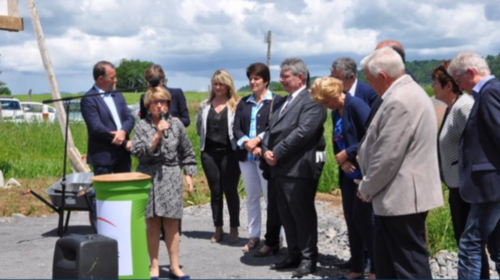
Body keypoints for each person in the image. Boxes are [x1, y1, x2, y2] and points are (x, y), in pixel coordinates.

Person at [357, 47, 443, 279]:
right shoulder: (407, 93)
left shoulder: (400, 100)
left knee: (408, 265)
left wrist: (366, 187)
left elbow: (387, 156)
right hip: (398, 197)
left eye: (370, 78)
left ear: (382, 77)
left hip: (402, 198)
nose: (369, 84)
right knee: (387, 261)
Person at [263, 58, 327, 278]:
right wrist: (265, 150)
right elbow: (269, 130)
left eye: (285, 76)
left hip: (298, 168)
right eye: (280, 76)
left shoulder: (312, 100)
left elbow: (303, 132)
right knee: (286, 214)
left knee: (302, 214)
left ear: (300, 77)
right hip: (279, 168)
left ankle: (309, 258)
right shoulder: (282, 102)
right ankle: (293, 253)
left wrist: (277, 152)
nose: (281, 80)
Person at [310, 77, 375, 279]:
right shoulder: (335, 112)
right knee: (351, 219)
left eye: (327, 102)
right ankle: (356, 266)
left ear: (335, 94)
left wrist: (349, 151)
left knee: (364, 219)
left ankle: (376, 267)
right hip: (347, 171)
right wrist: (342, 160)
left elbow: (372, 135)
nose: (326, 106)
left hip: (363, 171)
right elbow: (338, 140)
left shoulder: (356, 105)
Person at [131, 86, 197, 280]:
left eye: (163, 102)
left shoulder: (177, 125)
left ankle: (175, 267)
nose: (159, 106)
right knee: (151, 223)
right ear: (148, 105)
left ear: (168, 104)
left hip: (170, 175)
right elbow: (138, 152)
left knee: (171, 223)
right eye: (155, 102)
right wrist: (157, 135)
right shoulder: (142, 126)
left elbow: (188, 152)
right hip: (148, 176)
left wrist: (189, 175)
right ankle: (154, 266)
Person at [432, 60, 491, 279]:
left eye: (435, 82)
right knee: (468, 242)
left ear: (448, 85)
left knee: (472, 244)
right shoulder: (453, 107)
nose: (432, 87)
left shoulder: (464, 106)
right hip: (458, 184)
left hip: (468, 186)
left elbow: (478, 142)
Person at [448, 52, 500, 279]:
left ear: (470, 73)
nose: (459, 87)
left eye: (459, 81)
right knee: (493, 243)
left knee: (470, 243)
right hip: (491, 182)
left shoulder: (489, 94)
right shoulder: (490, 93)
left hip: (490, 185)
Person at [233, 62, 283, 254]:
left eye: (256, 78)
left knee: (271, 198)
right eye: (250, 78)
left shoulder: (276, 101)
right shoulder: (243, 102)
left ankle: (275, 238)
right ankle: (254, 235)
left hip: (266, 157)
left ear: (266, 80)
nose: (253, 82)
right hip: (246, 157)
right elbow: (236, 128)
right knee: (252, 197)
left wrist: (258, 142)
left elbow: (275, 127)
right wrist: (247, 143)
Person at [80, 61, 135, 226]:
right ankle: (102, 228)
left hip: (122, 155)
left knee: (124, 190)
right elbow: (97, 127)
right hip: (103, 155)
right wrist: (122, 141)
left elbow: (129, 117)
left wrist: (123, 132)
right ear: (100, 79)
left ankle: (123, 225)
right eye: (112, 77)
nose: (116, 80)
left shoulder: (117, 95)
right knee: (102, 195)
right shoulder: (89, 99)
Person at [196, 69, 241, 244]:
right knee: (215, 191)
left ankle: (234, 228)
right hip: (209, 153)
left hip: (230, 153)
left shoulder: (236, 105)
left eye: (221, 83)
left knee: (230, 190)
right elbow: (200, 127)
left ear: (228, 85)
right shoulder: (205, 105)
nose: (218, 87)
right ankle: (218, 228)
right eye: (215, 83)